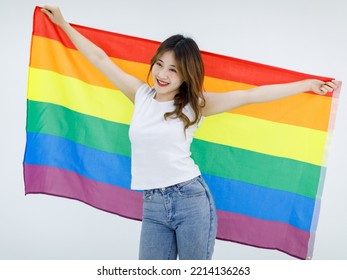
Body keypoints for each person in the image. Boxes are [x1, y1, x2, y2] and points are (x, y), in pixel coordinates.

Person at [41, 6, 340, 260]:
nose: (162, 74)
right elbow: (100, 59)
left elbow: (252, 95)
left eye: (173, 69)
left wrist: (307, 85)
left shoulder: (196, 105)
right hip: (153, 204)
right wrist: (62, 24)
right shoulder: (141, 96)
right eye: (160, 64)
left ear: (186, 75)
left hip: (191, 201)